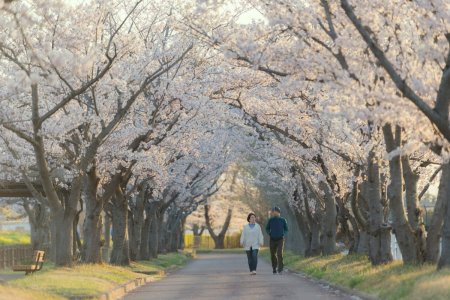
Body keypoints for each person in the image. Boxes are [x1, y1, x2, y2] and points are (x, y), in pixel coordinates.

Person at [265, 206, 288, 274]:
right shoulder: (271, 220)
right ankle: (274, 267)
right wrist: (270, 233)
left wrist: (283, 233)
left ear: (278, 212)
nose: (274, 212)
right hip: (272, 239)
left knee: (279, 253)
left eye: (275, 211)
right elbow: (267, 228)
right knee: (272, 254)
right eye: (273, 211)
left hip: (280, 239)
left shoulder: (283, 220)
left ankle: (280, 269)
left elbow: (286, 229)